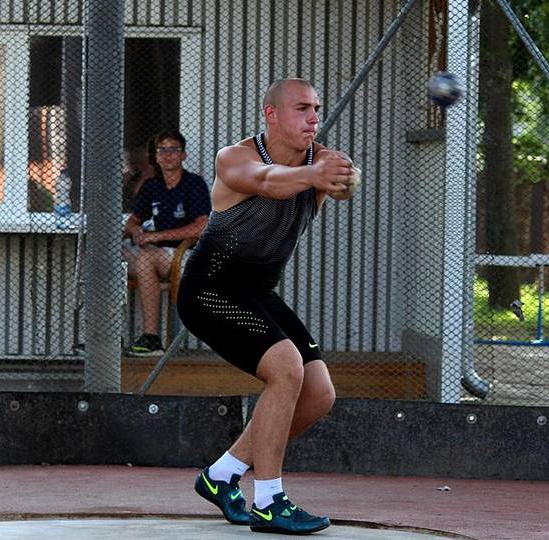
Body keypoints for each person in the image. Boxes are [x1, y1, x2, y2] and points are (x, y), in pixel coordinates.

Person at [177, 78, 357, 535]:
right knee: (286, 369)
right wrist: (315, 176)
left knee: (318, 395)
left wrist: (341, 179)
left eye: (316, 108)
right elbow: (267, 182)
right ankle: (269, 500)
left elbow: (340, 185)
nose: (313, 118)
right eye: (302, 108)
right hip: (209, 291)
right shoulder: (234, 158)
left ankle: (221, 476)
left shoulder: (320, 162)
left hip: (257, 292)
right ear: (271, 114)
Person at [123, 130, 210, 356]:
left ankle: (151, 339)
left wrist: (156, 236)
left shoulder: (193, 184)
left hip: (185, 256)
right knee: (107, 254)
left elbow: (202, 227)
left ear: (183, 155)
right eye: (162, 150)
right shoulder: (152, 186)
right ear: (156, 156)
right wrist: (135, 231)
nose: (168, 155)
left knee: (146, 258)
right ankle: (102, 338)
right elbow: (133, 221)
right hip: (154, 255)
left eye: (174, 149)